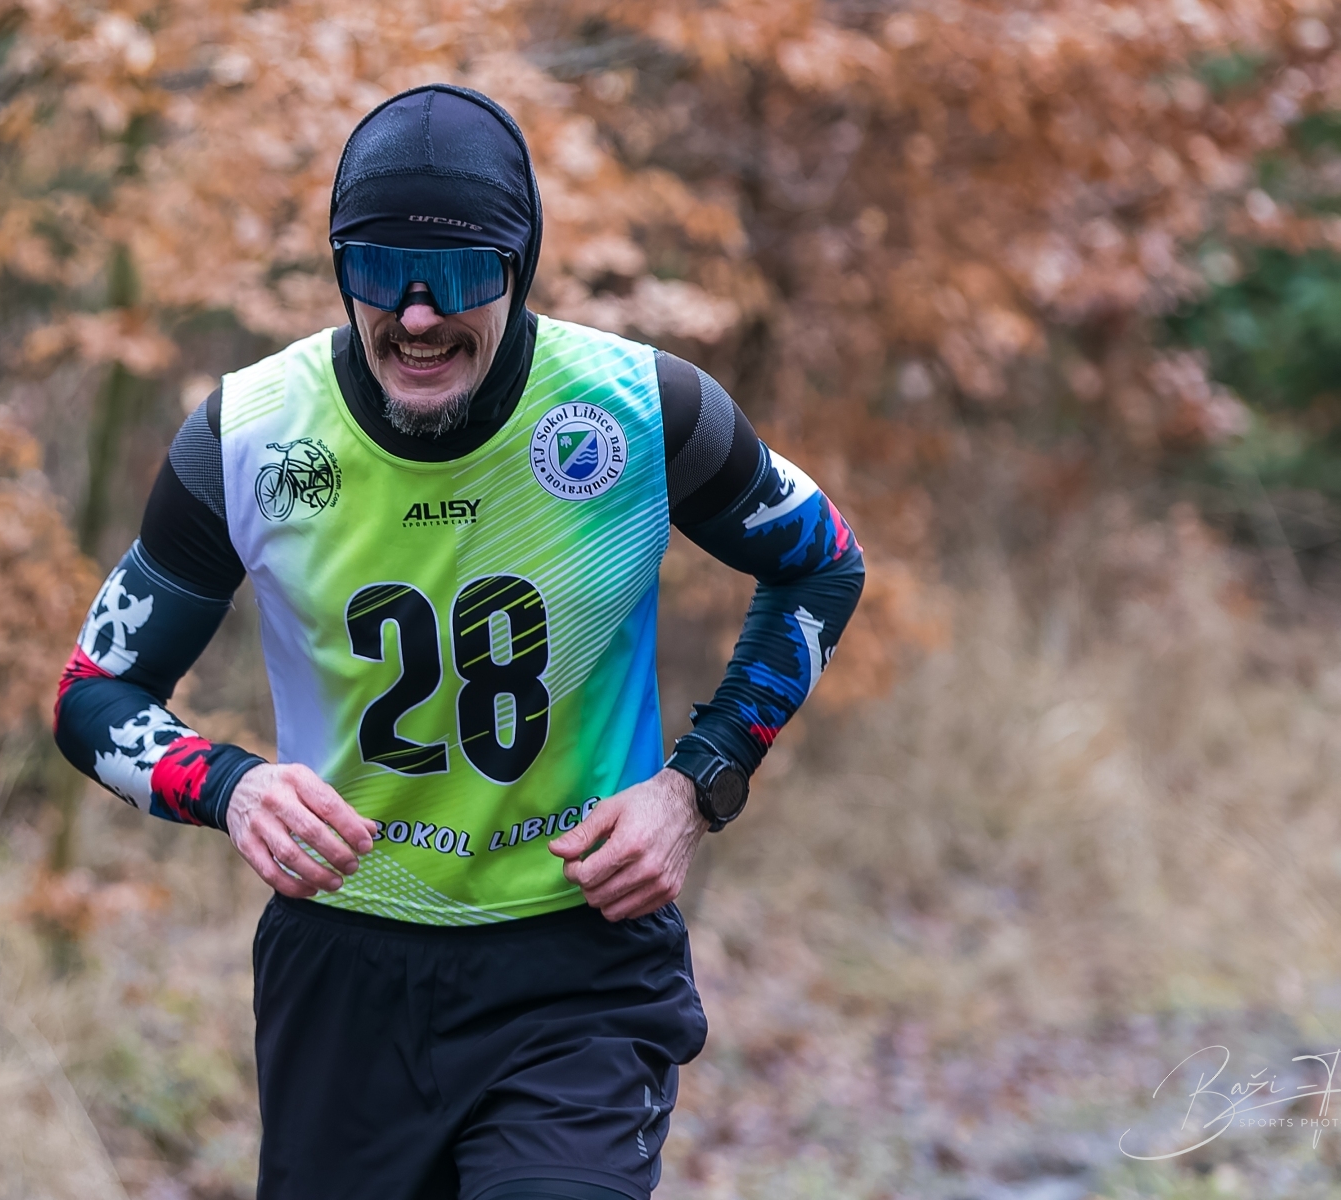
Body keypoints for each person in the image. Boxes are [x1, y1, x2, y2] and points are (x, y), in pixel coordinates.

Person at [54, 84, 863, 1200]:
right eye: (381, 269)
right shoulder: (248, 435)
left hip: (579, 957)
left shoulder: (642, 409)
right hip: (345, 972)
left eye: (461, 274)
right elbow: (92, 691)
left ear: (520, 268)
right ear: (339, 267)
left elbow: (822, 562)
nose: (419, 314)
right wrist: (230, 787)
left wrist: (696, 785)